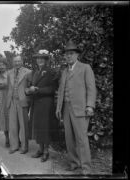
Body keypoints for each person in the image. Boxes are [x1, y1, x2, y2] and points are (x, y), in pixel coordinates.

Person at [56, 40, 96, 174]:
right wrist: (58, 108)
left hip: (80, 109)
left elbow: (91, 89)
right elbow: (61, 91)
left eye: (71, 54)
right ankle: (74, 163)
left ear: (77, 55)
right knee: (69, 139)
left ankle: (86, 168)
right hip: (66, 109)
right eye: (66, 54)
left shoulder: (85, 68)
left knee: (82, 139)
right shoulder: (64, 71)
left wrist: (90, 106)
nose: (68, 56)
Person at [25, 49, 59, 162]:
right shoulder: (34, 72)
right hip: (36, 103)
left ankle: (46, 151)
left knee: (45, 127)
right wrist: (29, 89)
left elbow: (52, 89)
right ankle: (40, 149)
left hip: (45, 103)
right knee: (38, 127)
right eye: (38, 58)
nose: (39, 60)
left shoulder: (50, 71)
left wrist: (37, 90)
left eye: (42, 58)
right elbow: (31, 85)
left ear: (46, 60)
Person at [7, 55, 31, 154]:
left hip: (23, 100)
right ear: (13, 62)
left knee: (23, 125)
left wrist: (28, 93)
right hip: (12, 101)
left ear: (22, 61)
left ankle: (24, 147)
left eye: (19, 61)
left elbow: (30, 86)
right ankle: (14, 146)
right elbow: (9, 88)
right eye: (15, 61)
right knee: (12, 125)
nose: (17, 63)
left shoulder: (28, 72)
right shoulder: (9, 73)